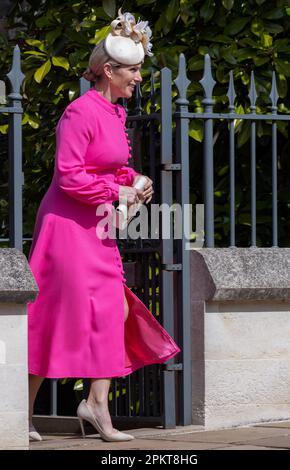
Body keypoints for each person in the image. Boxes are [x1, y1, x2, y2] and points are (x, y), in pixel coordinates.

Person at [27, 9, 180, 443]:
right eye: (132, 70)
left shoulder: (113, 112)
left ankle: (95, 404)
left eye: (138, 70)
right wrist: (117, 193)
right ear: (108, 71)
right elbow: (70, 175)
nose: (137, 78)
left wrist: (132, 179)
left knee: (113, 309)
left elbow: (107, 167)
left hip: (95, 228)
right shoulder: (80, 111)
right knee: (56, 312)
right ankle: (20, 408)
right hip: (66, 228)